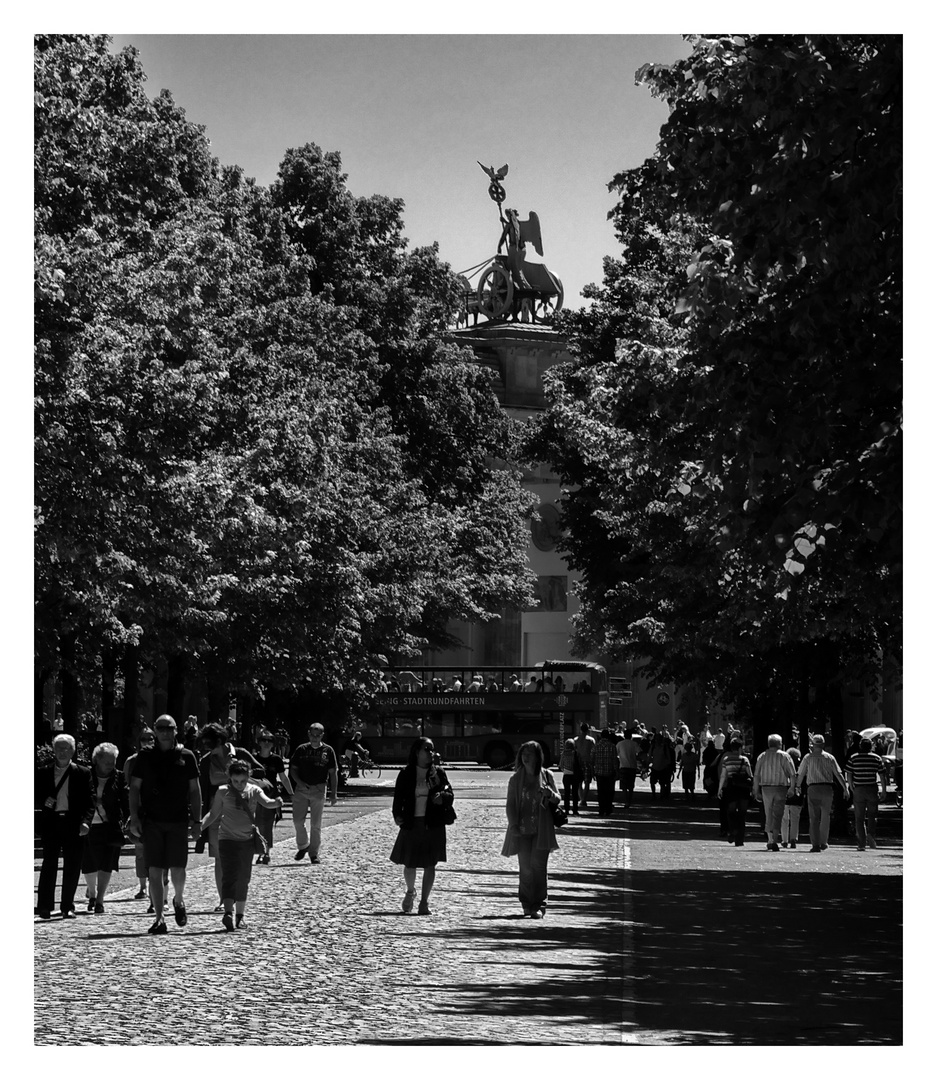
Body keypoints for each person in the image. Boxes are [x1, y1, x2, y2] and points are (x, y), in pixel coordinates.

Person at [129, 714, 201, 935]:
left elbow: (195, 790)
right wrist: (134, 817)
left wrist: (197, 820)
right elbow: (134, 788)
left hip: (178, 820)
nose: (165, 732)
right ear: (154, 730)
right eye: (161, 728)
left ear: (176, 730)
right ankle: (159, 918)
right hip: (152, 821)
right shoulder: (144, 757)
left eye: (169, 728)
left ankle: (178, 900)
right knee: (154, 870)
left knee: (178, 867)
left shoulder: (187, 756)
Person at [200, 760, 283, 930]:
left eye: (243, 781)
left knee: (244, 877)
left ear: (248, 777)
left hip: (246, 840)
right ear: (229, 778)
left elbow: (267, 803)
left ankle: (240, 916)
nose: (239, 784)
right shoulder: (223, 792)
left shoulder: (254, 791)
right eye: (236, 781)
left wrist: (277, 803)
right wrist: (199, 826)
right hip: (226, 839)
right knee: (229, 875)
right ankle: (228, 913)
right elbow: (214, 813)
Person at [197, 723, 264, 908]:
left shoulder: (240, 754)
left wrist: (242, 778)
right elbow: (202, 789)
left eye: (209, 744)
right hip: (217, 812)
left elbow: (260, 771)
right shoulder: (205, 761)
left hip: (242, 813)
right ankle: (224, 899)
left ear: (220, 741)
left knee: (242, 858)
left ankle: (237, 896)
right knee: (220, 858)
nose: (206, 748)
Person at [390, 737, 454, 915]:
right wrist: (397, 816)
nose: (430, 753)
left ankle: (424, 903)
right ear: (417, 752)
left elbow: (450, 793)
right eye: (427, 749)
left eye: (432, 749)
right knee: (409, 863)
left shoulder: (438, 773)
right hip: (412, 822)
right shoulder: (406, 773)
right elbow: (397, 799)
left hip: (432, 823)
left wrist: (443, 797)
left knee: (430, 864)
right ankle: (410, 891)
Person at [35, 733, 94, 920]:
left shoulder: (82, 773)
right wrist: (44, 801)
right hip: (51, 823)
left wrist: (86, 822)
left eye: (66, 748)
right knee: (49, 864)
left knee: (72, 865)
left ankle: (67, 906)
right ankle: (44, 906)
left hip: (73, 823)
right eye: (58, 748)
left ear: (73, 751)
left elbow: (89, 801)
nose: (62, 752)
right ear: (53, 750)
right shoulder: (43, 772)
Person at [501, 741, 561, 919]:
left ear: (538, 757)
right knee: (525, 868)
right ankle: (526, 903)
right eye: (523, 753)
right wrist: (513, 825)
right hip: (522, 830)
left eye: (530, 753)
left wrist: (550, 794)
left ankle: (539, 904)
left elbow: (557, 799)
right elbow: (510, 805)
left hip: (542, 830)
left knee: (538, 867)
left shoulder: (547, 775)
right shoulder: (515, 779)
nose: (526, 757)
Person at [81, 742, 129, 913]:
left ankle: (99, 900)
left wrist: (128, 819)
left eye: (113, 761)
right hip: (88, 824)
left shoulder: (119, 776)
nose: (111, 765)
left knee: (106, 863)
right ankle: (92, 893)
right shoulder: (86, 774)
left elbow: (125, 799)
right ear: (97, 760)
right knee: (89, 862)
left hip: (110, 825)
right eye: (108, 761)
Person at [288, 722, 338, 863]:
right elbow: (293, 769)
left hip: (319, 788)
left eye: (318, 735)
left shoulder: (328, 751)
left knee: (316, 824)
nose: (315, 738)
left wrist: (333, 793)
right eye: (312, 735)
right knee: (298, 821)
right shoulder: (301, 749)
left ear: (322, 735)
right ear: (308, 734)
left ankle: (313, 853)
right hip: (302, 789)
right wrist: (299, 782)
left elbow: (333, 773)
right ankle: (303, 845)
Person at [795, 734, 849, 852]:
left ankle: (815, 844)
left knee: (814, 818)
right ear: (823, 744)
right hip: (827, 789)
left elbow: (801, 774)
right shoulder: (830, 757)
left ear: (813, 745)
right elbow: (838, 774)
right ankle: (824, 842)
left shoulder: (808, 758)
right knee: (826, 817)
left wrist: (797, 786)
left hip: (813, 788)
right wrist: (845, 788)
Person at [123, 728, 158, 901]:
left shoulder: (160, 758)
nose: (147, 741)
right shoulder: (132, 761)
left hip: (156, 810)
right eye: (144, 738)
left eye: (151, 738)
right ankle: (143, 886)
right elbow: (128, 787)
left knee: (157, 851)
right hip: (139, 810)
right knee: (140, 850)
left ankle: (157, 888)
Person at [752, 734, 798, 852]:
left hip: (766, 788)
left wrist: (755, 790)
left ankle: (770, 839)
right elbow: (792, 774)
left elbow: (756, 775)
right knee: (778, 814)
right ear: (780, 744)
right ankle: (775, 839)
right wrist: (792, 788)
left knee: (768, 813)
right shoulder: (785, 756)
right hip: (781, 788)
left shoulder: (762, 756)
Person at [253, 730, 293, 863]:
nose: (266, 743)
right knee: (257, 823)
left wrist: (291, 793)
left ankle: (266, 852)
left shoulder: (276, 759)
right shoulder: (253, 759)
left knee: (267, 824)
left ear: (273, 744)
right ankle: (259, 852)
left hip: (271, 795)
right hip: (255, 795)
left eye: (269, 741)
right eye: (263, 740)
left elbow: (283, 777)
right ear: (259, 742)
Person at [844, 737, 889, 851]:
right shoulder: (876, 758)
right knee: (872, 815)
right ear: (871, 746)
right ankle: (871, 834)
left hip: (859, 788)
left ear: (860, 746)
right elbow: (882, 776)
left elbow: (849, 773)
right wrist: (883, 790)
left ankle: (861, 843)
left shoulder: (854, 758)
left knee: (859, 817)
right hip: (872, 788)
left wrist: (851, 786)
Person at [717, 737, 753, 846]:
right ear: (740, 748)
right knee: (742, 814)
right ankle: (740, 839)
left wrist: (720, 789)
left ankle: (732, 829)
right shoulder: (745, 760)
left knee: (731, 811)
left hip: (731, 788)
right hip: (743, 789)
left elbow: (723, 775)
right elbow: (750, 775)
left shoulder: (726, 759)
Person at [780, 746, 803, 848]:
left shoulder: (784, 766)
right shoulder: (800, 768)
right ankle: (793, 838)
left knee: (784, 818)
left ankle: (784, 840)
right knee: (795, 818)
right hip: (797, 795)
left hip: (785, 794)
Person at [593, 728, 619, 816]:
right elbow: (614, 760)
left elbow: (592, 759)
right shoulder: (612, 746)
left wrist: (593, 770)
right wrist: (616, 771)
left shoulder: (596, 746)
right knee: (609, 791)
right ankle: (608, 808)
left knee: (600, 792)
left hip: (599, 772)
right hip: (609, 772)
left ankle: (601, 809)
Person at [574, 722, 596, 810]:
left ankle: (581, 798)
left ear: (580, 729)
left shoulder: (575, 740)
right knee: (587, 782)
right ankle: (584, 799)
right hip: (588, 762)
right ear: (588, 730)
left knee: (579, 782)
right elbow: (593, 752)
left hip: (579, 762)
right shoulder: (591, 740)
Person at [649, 730, 676, 799]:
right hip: (655, 767)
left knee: (662, 783)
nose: (657, 740)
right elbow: (649, 756)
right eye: (656, 739)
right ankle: (653, 795)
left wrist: (668, 766)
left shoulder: (664, 747)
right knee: (652, 782)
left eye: (659, 739)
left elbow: (668, 758)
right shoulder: (653, 747)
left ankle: (662, 795)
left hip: (663, 767)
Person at [617, 729, 640, 808]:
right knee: (631, 785)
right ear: (631, 736)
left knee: (624, 786)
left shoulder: (620, 744)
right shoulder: (634, 744)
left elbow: (616, 753)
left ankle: (626, 800)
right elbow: (639, 753)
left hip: (623, 766)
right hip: (632, 766)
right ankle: (629, 801)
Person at [558, 738, 581, 815]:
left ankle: (566, 809)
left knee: (567, 793)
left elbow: (561, 765)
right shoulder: (575, 753)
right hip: (574, 775)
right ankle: (575, 809)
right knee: (575, 793)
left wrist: (565, 770)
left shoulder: (563, 753)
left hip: (566, 775)